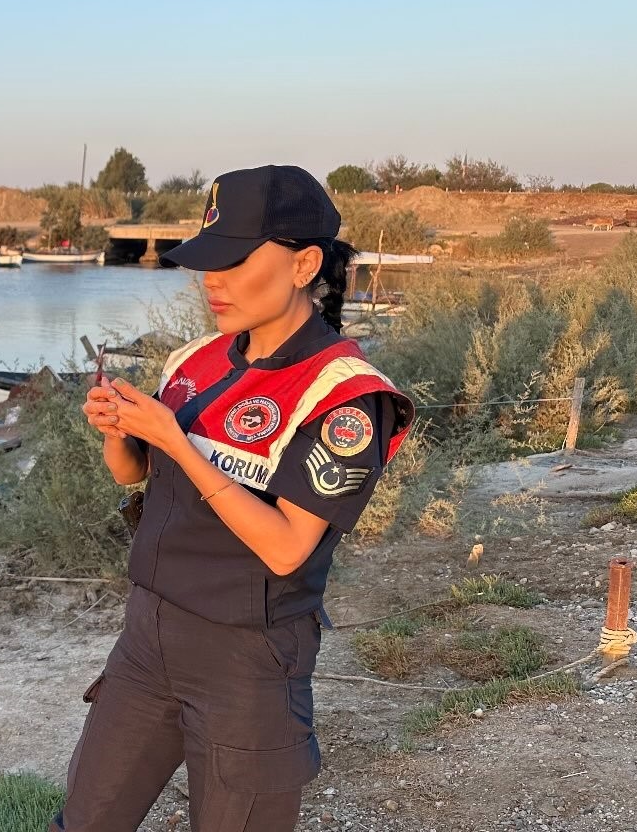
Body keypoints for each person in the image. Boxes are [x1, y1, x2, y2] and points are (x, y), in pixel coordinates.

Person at [53, 165, 415, 832]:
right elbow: (134, 479)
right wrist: (118, 430)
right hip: (146, 638)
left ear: (304, 263)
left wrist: (178, 442)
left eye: (236, 261)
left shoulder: (347, 398)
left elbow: (285, 548)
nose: (212, 282)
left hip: (246, 662)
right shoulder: (194, 362)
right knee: (84, 819)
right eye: (207, 262)